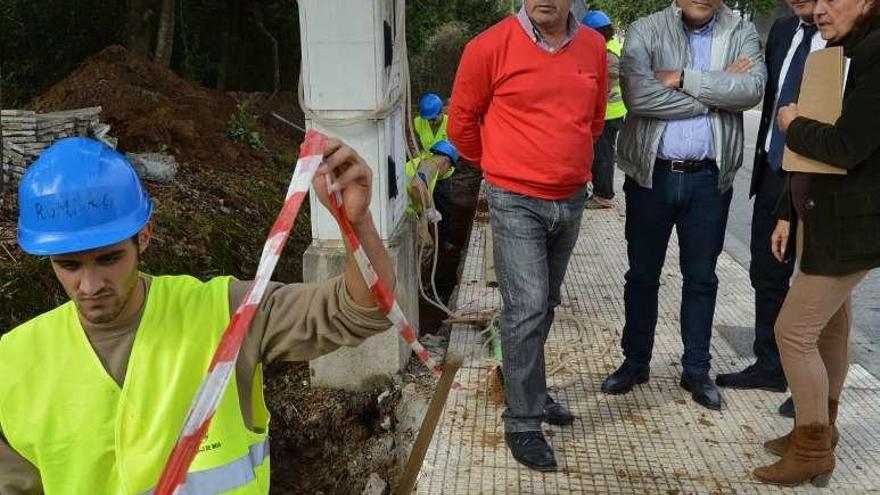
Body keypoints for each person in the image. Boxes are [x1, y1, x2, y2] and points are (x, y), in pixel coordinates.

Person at [0, 136, 394, 494]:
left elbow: (362, 310)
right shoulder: (15, 362)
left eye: (109, 259)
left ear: (145, 237)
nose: (89, 285)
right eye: (69, 265)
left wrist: (356, 223)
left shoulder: (223, 315)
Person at [449, 0, 607, 472]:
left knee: (547, 302)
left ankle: (532, 393)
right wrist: (502, 166)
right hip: (515, 199)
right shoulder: (488, 47)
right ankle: (522, 421)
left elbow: (595, 120)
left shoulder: (594, 46)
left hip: (571, 198)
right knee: (527, 306)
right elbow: (461, 125)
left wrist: (567, 163)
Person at [601, 0, 766, 411]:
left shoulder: (740, 32)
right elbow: (640, 97)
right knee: (642, 276)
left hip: (709, 181)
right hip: (651, 177)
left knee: (702, 279)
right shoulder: (645, 28)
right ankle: (636, 361)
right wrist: (715, 91)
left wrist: (682, 78)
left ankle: (696, 369)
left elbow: (751, 89)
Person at [753, 0, 880, 486]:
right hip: (819, 214)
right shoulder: (842, 49)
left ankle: (811, 450)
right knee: (829, 329)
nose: (820, 9)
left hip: (852, 224)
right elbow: (816, 157)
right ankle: (820, 431)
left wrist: (791, 125)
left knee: (793, 332)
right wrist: (787, 211)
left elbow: (846, 146)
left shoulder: (874, 55)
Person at [715, 0, 826, 419]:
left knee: (814, 285)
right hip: (774, 170)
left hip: (818, 174)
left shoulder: (845, 40)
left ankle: (809, 384)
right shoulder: (781, 31)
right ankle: (770, 364)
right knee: (767, 270)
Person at [581, 10, 627, 210]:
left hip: (610, 113)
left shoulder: (608, 55)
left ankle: (603, 195)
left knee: (603, 155)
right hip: (611, 111)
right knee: (599, 153)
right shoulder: (609, 46)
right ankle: (598, 191)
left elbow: (602, 87)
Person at [414, 93, 455, 250]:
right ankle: (428, 239)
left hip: (444, 174)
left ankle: (444, 240)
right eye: (428, 119)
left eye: (433, 119)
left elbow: (454, 150)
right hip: (425, 172)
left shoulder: (450, 124)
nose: (430, 122)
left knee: (445, 209)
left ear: (441, 113)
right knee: (426, 206)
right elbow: (413, 142)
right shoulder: (419, 123)